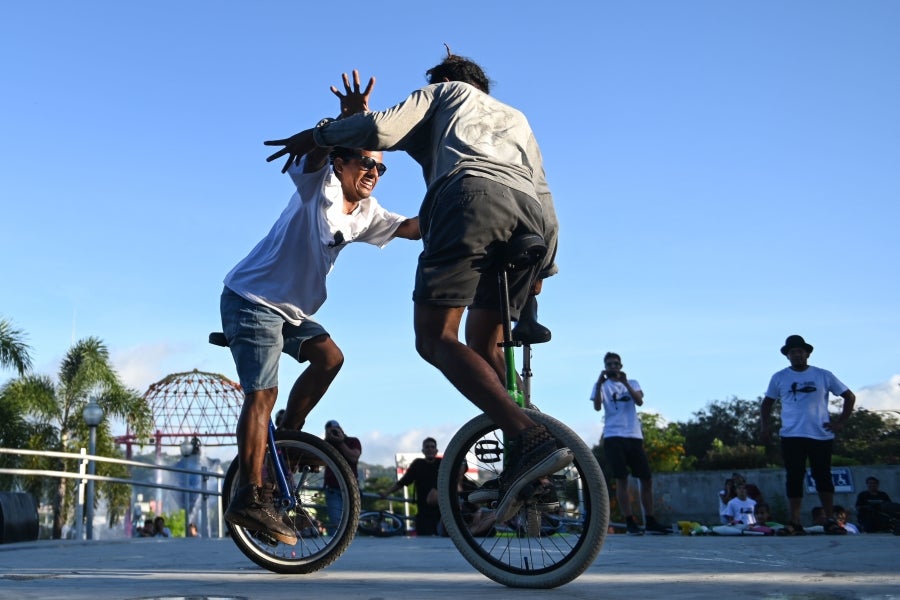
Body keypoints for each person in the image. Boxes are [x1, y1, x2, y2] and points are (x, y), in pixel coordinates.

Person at [264, 50, 571, 523]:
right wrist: (543, 269)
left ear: (447, 80)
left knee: (435, 338)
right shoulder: (515, 119)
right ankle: (533, 464)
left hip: (469, 198)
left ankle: (529, 436)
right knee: (483, 346)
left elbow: (382, 130)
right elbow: (544, 192)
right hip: (529, 217)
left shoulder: (445, 93)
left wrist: (322, 132)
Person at [221, 75, 421, 545]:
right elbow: (314, 153)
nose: (372, 174)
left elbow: (412, 227)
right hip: (252, 300)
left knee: (330, 358)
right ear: (342, 162)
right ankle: (249, 495)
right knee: (261, 394)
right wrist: (352, 119)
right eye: (365, 164)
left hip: (290, 311)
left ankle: (288, 434)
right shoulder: (321, 185)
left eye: (380, 169)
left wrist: (457, 204)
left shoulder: (369, 213)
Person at [760, 334, 855, 534]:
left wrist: (840, 423)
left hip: (820, 434)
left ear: (807, 353)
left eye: (800, 351)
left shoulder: (823, 375)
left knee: (823, 477)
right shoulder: (780, 377)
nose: (797, 355)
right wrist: (765, 426)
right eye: (793, 352)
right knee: (794, 477)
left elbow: (849, 396)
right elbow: (767, 403)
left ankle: (829, 519)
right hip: (792, 435)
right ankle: (794, 522)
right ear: (787, 356)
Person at [590, 352, 669, 535]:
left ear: (621, 366)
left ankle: (650, 520)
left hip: (633, 435)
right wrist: (600, 382)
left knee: (646, 478)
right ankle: (630, 521)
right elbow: (596, 406)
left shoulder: (632, 383)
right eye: (609, 364)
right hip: (613, 436)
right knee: (622, 479)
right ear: (605, 367)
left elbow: (639, 401)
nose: (613, 367)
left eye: (616, 364)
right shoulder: (601, 385)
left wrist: (624, 383)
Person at [381, 437, 443, 535]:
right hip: (423, 511)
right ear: (423, 450)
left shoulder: (443, 463)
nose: (430, 449)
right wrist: (386, 492)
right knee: (425, 540)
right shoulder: (418, 464)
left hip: (442, 510)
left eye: (432, 447)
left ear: (436, 450)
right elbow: (403, 482)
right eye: (427, 447)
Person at [323, 420, 362, 534]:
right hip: (332, 489)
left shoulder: (352, 441)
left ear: (341, 429)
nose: (335, 433)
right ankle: (337, 547)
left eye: (336, 430)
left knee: (353, 523)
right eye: (331, 431)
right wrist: (327, 440)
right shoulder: (326, 444)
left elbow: (354, 457)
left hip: (351, 488)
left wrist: (341, 442)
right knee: (336, 523)